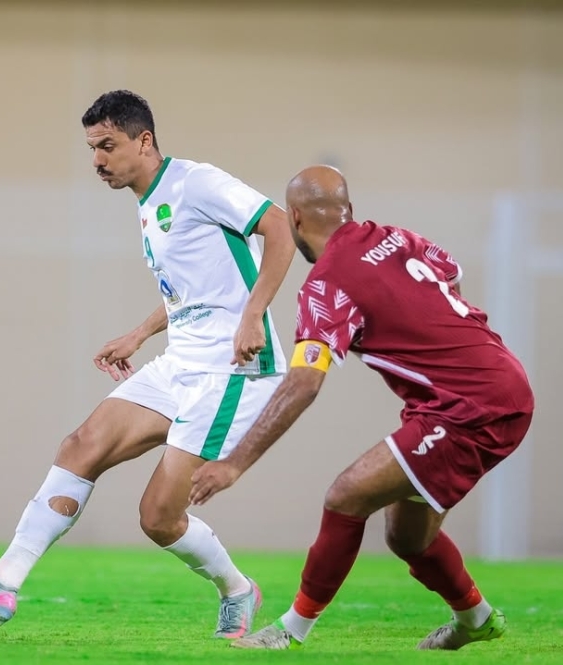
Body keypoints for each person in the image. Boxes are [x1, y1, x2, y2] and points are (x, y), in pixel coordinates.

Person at [0, 90, 297, 638]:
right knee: (81, 445)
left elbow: (280, 227)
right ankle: (2, 582)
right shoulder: (148, 204)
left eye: (107, 145)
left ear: (144, 141)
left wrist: (253, 314)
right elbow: (193, 291)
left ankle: (238, 589)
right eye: (92, 147)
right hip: (181, 362)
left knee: (158, 518)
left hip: (233, 370)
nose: (97, 159)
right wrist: (140, 333)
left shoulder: (197, 182)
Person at [189, 165, 535, 650]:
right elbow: (450, 273)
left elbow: (303, 385)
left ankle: (290, 631)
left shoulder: (328, 284)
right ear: (348, 209)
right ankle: (476, 620)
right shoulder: (397, 237)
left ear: (294, 217)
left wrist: (233, 464)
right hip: (495, 381)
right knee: (407, 536)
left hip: (470, 404)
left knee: (345, 496)